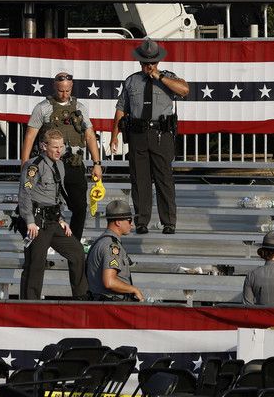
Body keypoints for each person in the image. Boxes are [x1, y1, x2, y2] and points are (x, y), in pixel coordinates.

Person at [110, 39, 189, 235]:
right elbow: (121, 109)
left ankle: (168, 222)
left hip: (161, 134)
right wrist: (114, 136)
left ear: (158, 62)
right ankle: (142, 220)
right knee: (139, 179)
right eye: (146, 63)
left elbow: (185, 90)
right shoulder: (132, 81)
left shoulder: (168, 77)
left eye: (152, 63)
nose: (149, 66)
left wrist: (160, 77)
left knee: (164, 179)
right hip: (137, 134)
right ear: (140, 63)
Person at [21, 71, 103, 241]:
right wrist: (24, 163)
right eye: (60, 91)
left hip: (74, 163)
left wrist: (97, 163)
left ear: (71, 88)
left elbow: (89, 135)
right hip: (49, 166)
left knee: (80, 207)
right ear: (54, 87)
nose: (64, 94)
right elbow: (30, 136)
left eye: (67, 90)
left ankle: (73, 243)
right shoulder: (42, 108)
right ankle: (45, 241)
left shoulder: (80, 108)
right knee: (47, 206)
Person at [18, 128, 89, 300]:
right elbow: (24, 194)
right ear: (43, 146)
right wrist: (29, 221)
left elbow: (57, 195)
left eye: (62, 146)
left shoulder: (59, 165)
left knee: (77, 251)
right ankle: (29, 304)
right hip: (37, 220)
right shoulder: (33, 166)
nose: (59, 150)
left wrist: (61, 219)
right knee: (36, 263)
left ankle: (81, 297)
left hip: (53, 220)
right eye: (55, 147)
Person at [86, 200, 144, 302]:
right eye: (129, 220)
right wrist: (134, 289)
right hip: (112, 304)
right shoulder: (112, 246)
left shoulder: (101, 241)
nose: (132, 225)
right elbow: (109, 282)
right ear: (118, 222)